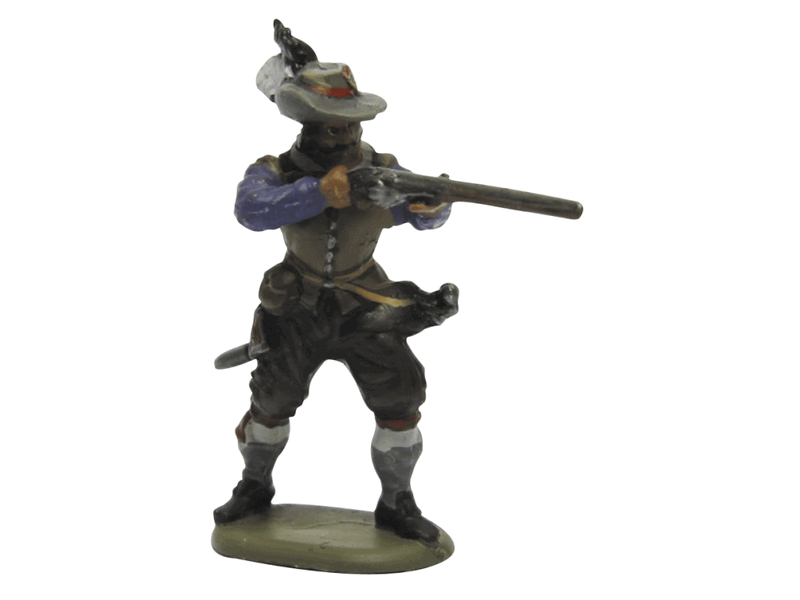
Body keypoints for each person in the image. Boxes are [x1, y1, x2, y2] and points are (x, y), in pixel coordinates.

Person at [213, 23, 458, 544]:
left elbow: (425, 215)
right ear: (307, 129)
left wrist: (432, 206)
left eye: (352, 129)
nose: (346, 138)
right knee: (271, 402)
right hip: (294, 305)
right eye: (332, 130)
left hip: (364, 304)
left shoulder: (382, 171)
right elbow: (250, 210)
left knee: (400, 398)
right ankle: (254, 485)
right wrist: (318, 192)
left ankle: (397, 502)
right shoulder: (276, 170)